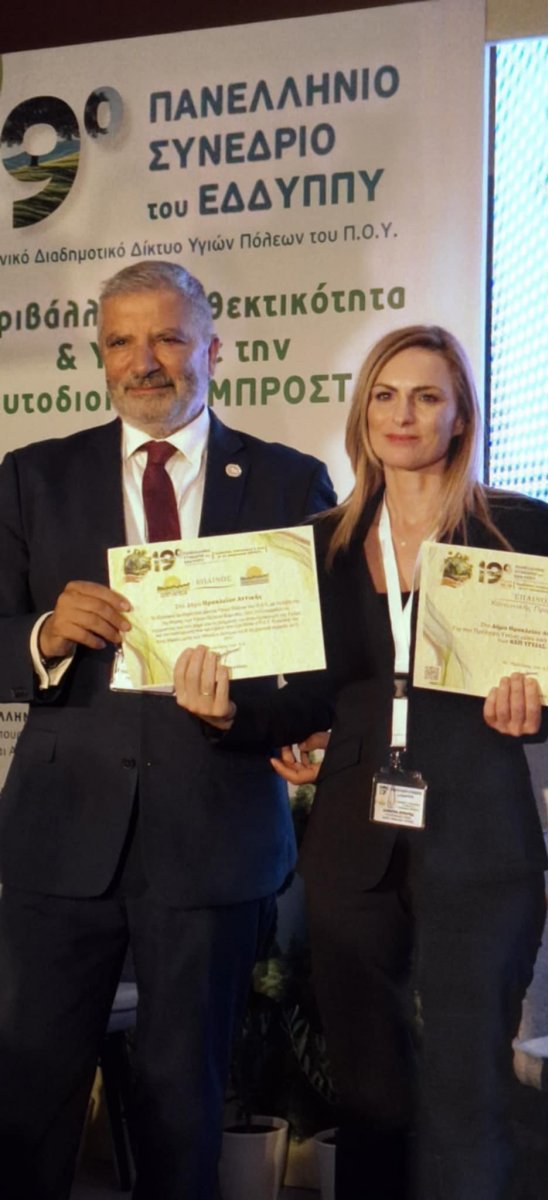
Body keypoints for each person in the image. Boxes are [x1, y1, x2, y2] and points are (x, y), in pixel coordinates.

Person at [181, 324, 548, 1199]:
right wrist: (228, 715)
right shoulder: (321, 542)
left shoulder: (517, 527)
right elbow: (310, 700)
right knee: (369, 1091)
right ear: (362, 415)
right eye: (386, 396)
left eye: (427, 397)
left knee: (470, 1082)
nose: (404, 414)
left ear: (461, 416)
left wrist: (533, 705)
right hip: (353, 842)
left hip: (479, 836)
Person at [0, 260, 336, 1200]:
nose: (143, 361)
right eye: (121, 341)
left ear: (213, 349)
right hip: (61, 836)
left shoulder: (289, 480)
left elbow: (320, 672)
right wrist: (43, 634)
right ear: (99, 355)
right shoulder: (32, 477)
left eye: (167, 337)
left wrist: (243, 714)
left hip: (212, 834)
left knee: (184, 1103)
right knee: (27, 1097)